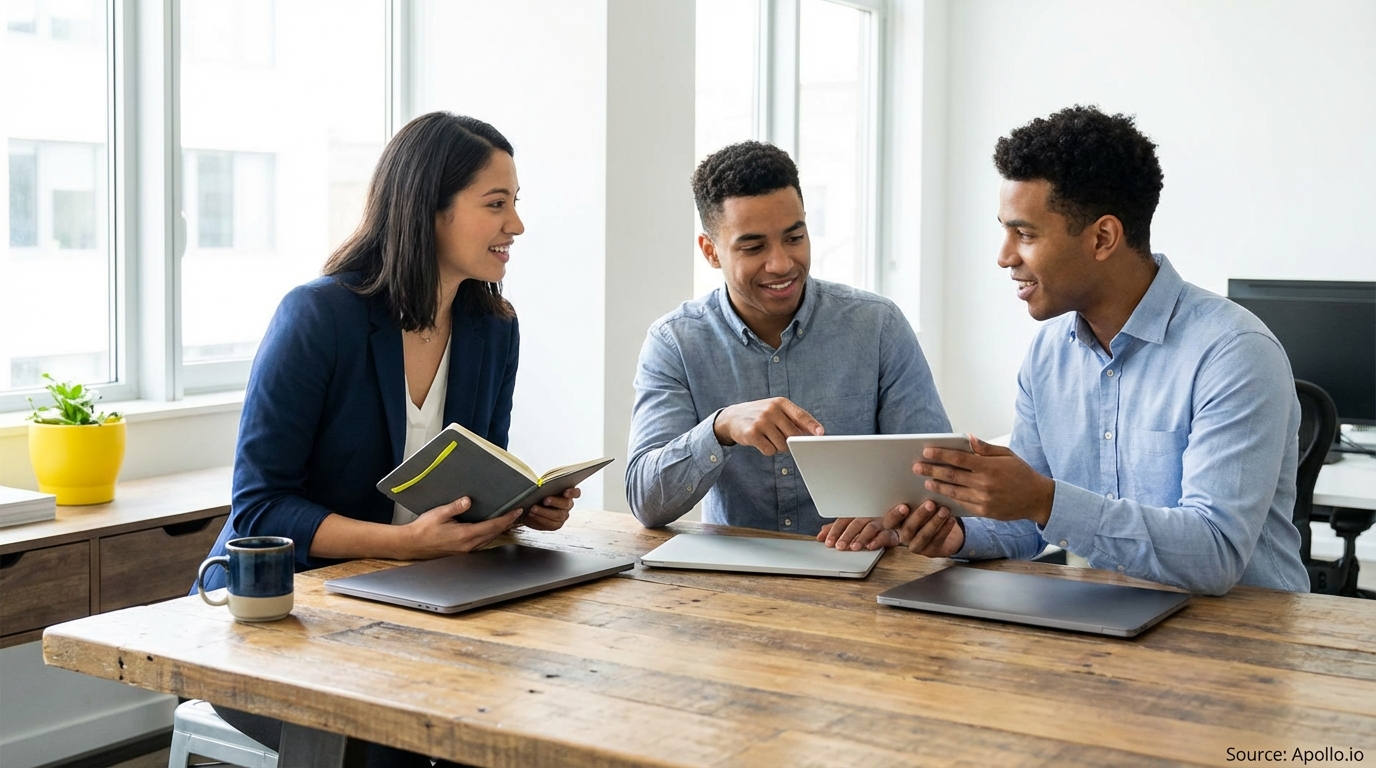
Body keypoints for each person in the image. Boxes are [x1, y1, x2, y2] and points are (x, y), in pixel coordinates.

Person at [197, 112, 580, 766]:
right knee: (404, 743)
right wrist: (404, 544)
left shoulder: (493, 328)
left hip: (419, 602)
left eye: (515, 205)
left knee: (528, 710)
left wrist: (520, 507)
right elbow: (259, 508)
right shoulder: (318, 317)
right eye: (496, 205)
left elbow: (472, 476)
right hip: (287, 613)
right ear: (429, 208)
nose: (515, 225)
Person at [876, 105, 1307, 595]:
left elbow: (1215, 553)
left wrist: (1044, 500)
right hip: (1106, 625)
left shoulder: (1233, 353)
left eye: (1025, 233)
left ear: (1103, 237)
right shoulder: (1048, 355)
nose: (1004, 256)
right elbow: (1026, 523)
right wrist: (956, 534)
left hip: (1246, 639)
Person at [625, 141, 949, 540]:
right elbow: (646, 502)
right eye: (754, 246)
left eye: (794, 238)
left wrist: (893, 522)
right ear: (711, 251)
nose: (781, 263)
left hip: (863, 572)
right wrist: (720, 428)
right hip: (731, 585)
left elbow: (936, 479)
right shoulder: (675, 342)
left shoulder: (877, 326)